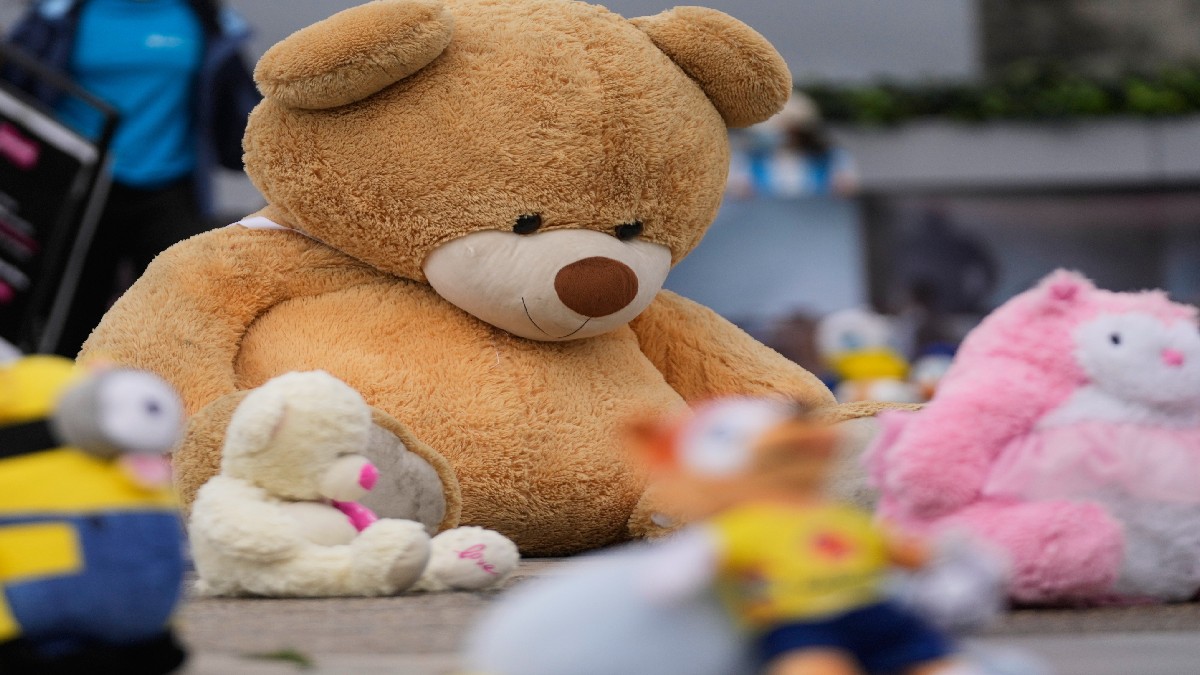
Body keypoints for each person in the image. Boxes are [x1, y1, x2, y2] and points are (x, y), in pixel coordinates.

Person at [3, 0, 260, 356]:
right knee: (68, 323)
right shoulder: (58, 16)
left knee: (178, 324)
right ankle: (56, 404)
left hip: (171, 187)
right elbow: (14, 93)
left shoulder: (206, 18)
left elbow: (241, 104)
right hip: (82, 192)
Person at [728, 92, 859, 200]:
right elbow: (734, 196)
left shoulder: (833, 160)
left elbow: (847, 196)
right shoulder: (746, 161)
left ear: (796, 130)